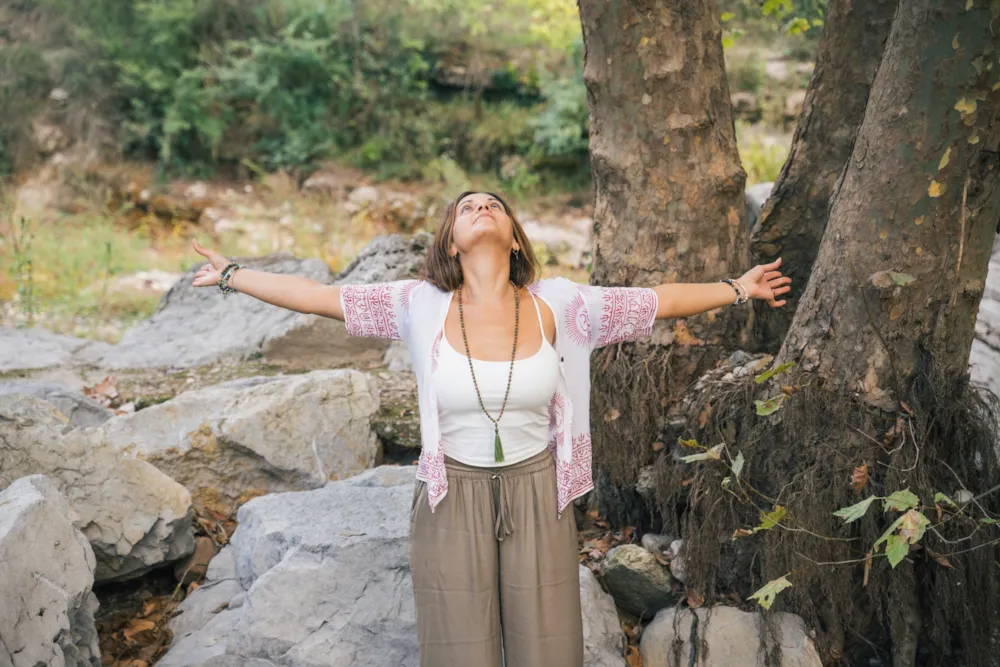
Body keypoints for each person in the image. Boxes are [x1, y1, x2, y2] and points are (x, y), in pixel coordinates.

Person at [190, 190, 791, 667]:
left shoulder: (561, 304)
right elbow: (321, 297)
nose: (483, 208)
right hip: (451, 492)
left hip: (537, 491)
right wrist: (233, 275)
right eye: (468, 207)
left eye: (495, 205)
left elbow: (652, 300)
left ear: (514, 238)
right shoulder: (417, 303)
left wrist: (740, 288)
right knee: (457, 645)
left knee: (548, 643)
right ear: (450, 242)